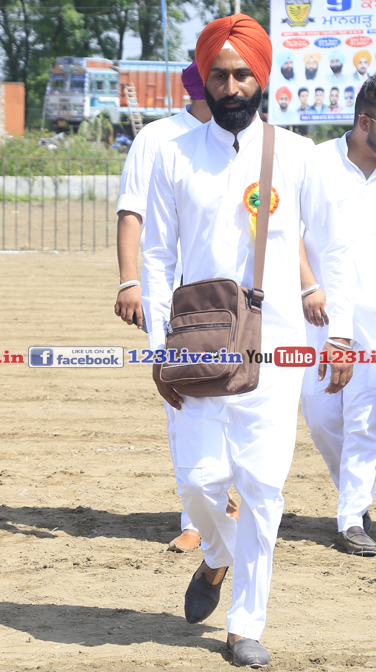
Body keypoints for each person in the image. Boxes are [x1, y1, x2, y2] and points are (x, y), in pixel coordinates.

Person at [142, 14, 355, 668]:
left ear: (262, 78)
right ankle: (216, 555)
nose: (231, 87)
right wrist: (157, 347)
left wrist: (341, 331)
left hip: (279, 344)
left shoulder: (299, 156)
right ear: (203, 80)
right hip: (196, 343)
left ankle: (245, 623)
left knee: (262, 485)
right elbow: (156, 255)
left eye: (242, 75)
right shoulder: (173, 153)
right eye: (219, 75)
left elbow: (334, 249)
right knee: (200, 480)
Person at [115, 61, 239, 553]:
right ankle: (197, 519)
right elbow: (132, 210)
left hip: (237, 300)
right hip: (179, 300)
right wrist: (131, 282)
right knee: (184, 402)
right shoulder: (159, 138)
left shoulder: (246, 139)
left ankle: (228, 498)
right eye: (222, 78)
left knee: (239, 398)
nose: (233, 88)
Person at [299, 75, 376, 557]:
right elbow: (289, 231)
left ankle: (351, 517)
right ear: (364, 122)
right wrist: (309, 285)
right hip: (317, 315)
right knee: (321, 415)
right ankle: (354, 496)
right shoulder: (314, 162)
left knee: (365, 421)